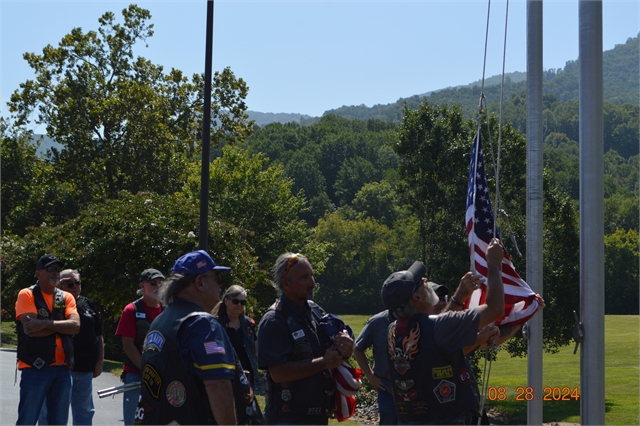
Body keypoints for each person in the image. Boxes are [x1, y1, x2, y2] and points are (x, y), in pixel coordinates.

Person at [383, 238, 506, 425]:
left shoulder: (393, 330)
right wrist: (494, 264)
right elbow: (495, 308)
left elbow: (435, 336)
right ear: (416, 297)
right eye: (420, 281)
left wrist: (458, 299)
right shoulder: (438, 325)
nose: (425, 280)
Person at [134, 250, 238, 425]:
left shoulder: (161, 320)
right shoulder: (202, 324)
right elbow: (217, 385)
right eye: (217, 278)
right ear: (200, 282)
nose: (220, 286)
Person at [257, 252, 354, 425]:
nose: (312, 283)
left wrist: (345, 348)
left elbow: (332, 349)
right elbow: (279, 373)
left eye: (312, 275)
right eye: (304, 278)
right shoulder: (274, 320)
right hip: (287, 419)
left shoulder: (315, 311)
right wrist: (324, 363)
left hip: (317, 418)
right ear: (285, 283)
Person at [15, 254, 80, 425]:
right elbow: (30, 330)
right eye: (50, 268)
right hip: (35, 368)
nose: (55, 272)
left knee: (59, 422)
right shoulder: (27, 294)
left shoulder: (66, 297)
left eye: (57, 269)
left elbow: (75, 326)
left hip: (63, 369)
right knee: (27, 420)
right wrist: (61, 328)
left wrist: (44, 324)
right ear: (38, 273)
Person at [38, 269, 104, 425]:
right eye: (69, 283)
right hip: (60, 368)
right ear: (60, 285)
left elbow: (99, 335)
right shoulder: (53, 305)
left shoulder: (88, 304)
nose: (75, 286)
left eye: (77, 283)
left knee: (84, 412)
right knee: (52, 412)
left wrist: (99, 362)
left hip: (85, 370)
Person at [115, 268, 165, 425]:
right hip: (136, 374)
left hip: (163, 376)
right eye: (153, 283)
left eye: (161, 283)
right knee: (134, 420)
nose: (158, 286)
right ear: (142, 286)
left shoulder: (167, 310)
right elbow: (128, 346)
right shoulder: (131, 310)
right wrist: (147, 370)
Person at [354, 309, 398, 425]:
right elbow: (357, 348)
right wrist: (369, 375)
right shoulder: (377, 322)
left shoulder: (417, 318)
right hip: (387, 388)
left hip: (414, 390)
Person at [212, 285, 259, 390]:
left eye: (243, 302)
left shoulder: (248, 323)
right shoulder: (215, 324)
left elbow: (255, 346)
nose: (239, 305)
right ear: (226, 300)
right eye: (235, 301)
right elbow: (210, 349)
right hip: (226, 375)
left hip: (248, 375)